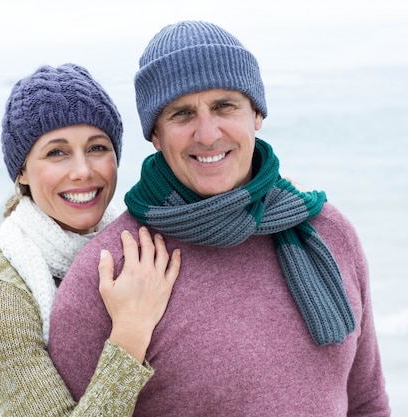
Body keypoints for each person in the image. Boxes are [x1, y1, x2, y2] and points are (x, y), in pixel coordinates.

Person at [47, 21, 390, 416]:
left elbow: (366, 402)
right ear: (155, 135)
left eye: (224, 106)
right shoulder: (112, 269)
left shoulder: (327, 233)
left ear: (256, 114)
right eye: (182, 114)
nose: (207, 134)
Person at [0, 63, 181, 417]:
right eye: (56, 152)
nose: (82, 171)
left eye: (97, 148)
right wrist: (131, 329)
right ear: (22, 172)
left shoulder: (133, 253)